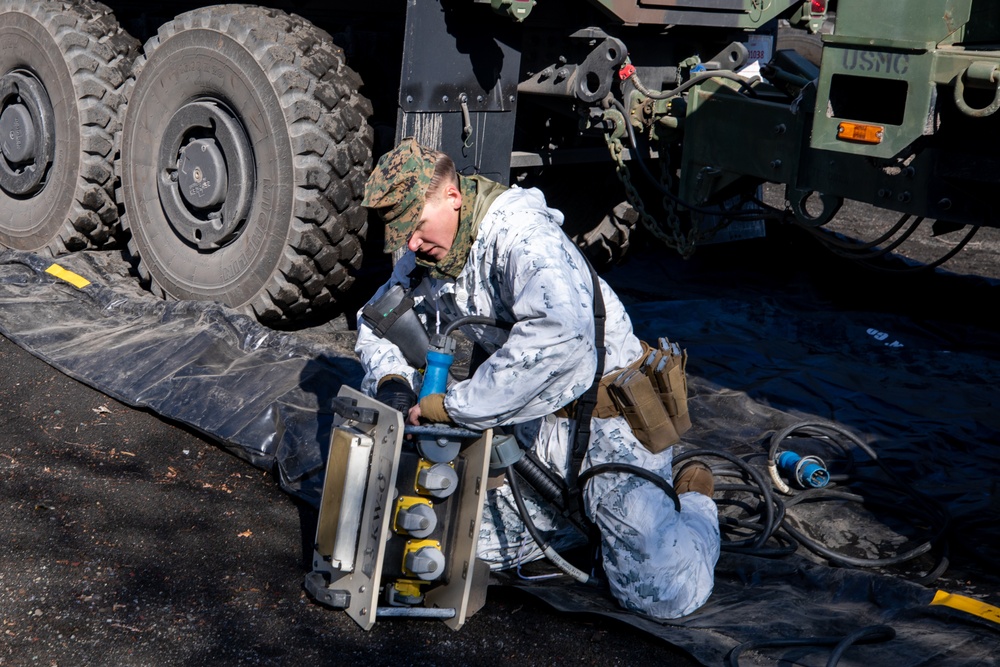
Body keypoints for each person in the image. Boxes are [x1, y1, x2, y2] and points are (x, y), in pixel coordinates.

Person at [355, 138, 720, 619]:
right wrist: (393, 382)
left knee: (659, 591)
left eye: (417, 227)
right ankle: (580, 520)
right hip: (527, 422)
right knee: (456, 547)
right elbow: (376, 316)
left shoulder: (522, 237)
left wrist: (456, 405)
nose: (411, 244)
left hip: (605, 420)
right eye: (402, 234)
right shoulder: (428, 252)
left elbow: (562, 338)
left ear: (453, 196)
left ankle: (694, 497)